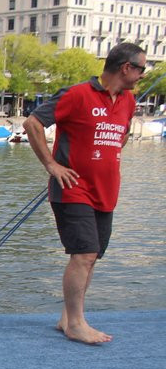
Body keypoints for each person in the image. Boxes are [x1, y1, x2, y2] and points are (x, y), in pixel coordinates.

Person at [24, 42, 145, 345]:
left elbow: (123, 133)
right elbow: (33, 123)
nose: (144, 74)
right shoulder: (77, 94)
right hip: (72, 188)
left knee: (92, 257)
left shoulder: (128, 101)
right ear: (126, 67)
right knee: (84, 253)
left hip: (107, 191)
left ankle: (67, 318)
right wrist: (52, 165)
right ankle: (76, 324)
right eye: (142, 68)